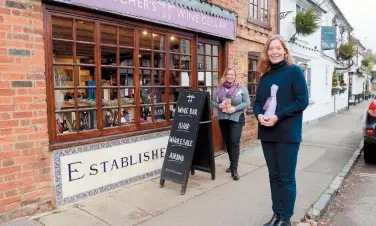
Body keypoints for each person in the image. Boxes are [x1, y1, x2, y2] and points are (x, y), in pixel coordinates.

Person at [253, 34, 309, 226]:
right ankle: (276, 214)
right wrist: (259, 115)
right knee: (273, 176)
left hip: (287, 133)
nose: (274, 52)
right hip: (267, 133)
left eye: (278, 48)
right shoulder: (265, 76)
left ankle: (286, 218)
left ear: (285, 50)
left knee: (286, 177)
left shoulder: (294, 72)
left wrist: (278, 116)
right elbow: (258, 103)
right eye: (271, 49)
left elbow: (302, 101)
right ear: (267, 53)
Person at [213, 68, 250, 180]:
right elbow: (213, 101)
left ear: (235, 76)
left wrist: (235, 108)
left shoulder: (242, 89)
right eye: (228, 74)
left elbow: (247, 103)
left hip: (236, 118)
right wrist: (218, 105)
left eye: (232, 74)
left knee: (234, 141)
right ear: (225, 75)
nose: (230, 76)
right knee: (228, 141)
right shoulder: (219, 89)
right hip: (223, 118)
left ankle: (234, 169)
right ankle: (231, 163)